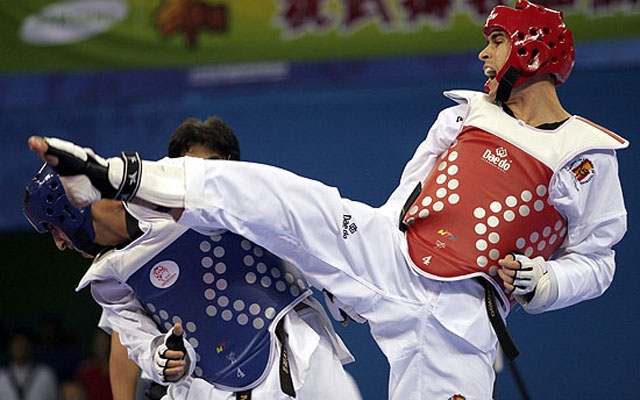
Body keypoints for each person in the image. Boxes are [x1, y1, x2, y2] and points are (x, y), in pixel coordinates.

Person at [27, 1, 629, 398]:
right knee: (279, 197)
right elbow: (409, 192)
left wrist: (544, 284)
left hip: (461, 320)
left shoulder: (584, 155)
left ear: (530, 48)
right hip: (392, 251)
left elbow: (600, 262)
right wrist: (350, 270)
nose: (483, 55)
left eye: (495, 41)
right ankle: (119, 176)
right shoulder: (464, 117)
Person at [24, 117, 361, 399]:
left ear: (69, 211)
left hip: (292, 346)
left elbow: (290, 217)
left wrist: (335, 272)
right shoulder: (109, 280)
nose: (59, 244)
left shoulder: (182, 197)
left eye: (54, 230)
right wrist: (161, 360)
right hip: (211, 386)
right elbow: (135, 343)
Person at [0, 328, 59, 400]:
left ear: (31, 346)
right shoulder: (1, 375)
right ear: (9, 347)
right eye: (16, 343)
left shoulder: (46, 375)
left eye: (23, 343)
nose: (20, 347)